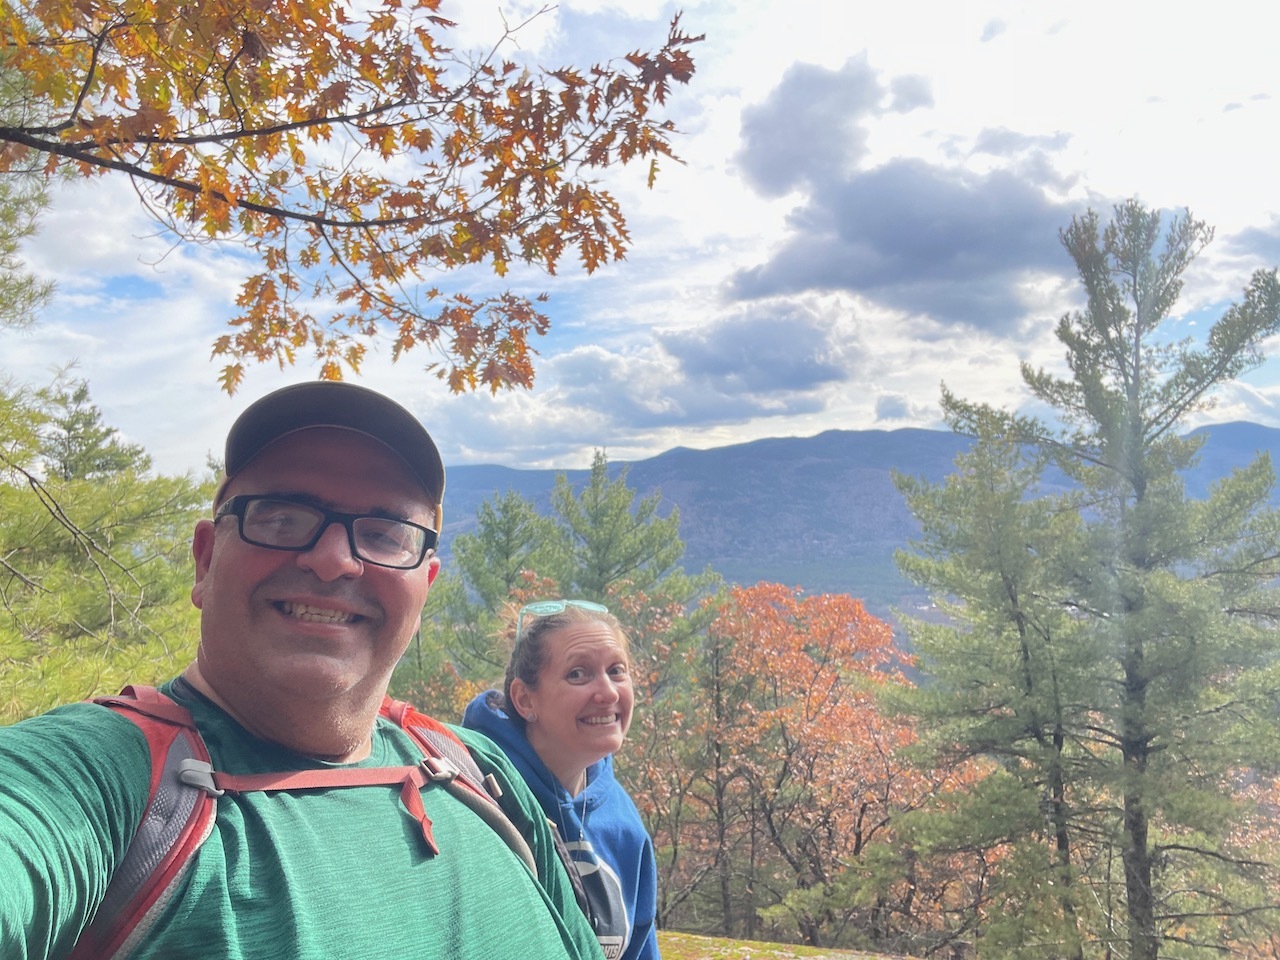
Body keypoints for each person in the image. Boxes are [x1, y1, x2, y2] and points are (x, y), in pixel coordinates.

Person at [0, 381, 602, 960]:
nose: (333, 560)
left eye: (384, 534)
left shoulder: (478, 772)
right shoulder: (105, 777)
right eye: (282, 517)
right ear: (206, 560)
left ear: (426, 586)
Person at [463, 601, 659, 960]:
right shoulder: (475, 799)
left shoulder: (623, 823)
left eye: (616, 671)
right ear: (525, 700)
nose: (608, 693)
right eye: (578, 674)